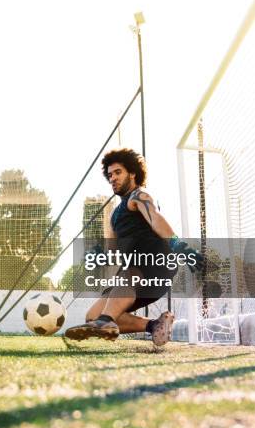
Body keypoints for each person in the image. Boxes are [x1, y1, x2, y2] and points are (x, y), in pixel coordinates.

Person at [65, 148, 203, 346]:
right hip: (135, 280)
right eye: (110, 175)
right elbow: (112, 253)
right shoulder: (114, 216)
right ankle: (154, 325)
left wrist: (178, 244)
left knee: (124, 281)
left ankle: (106, 322)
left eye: (118, 172)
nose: (113, 178)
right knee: (92, 316)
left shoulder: (138, 196)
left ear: (132, 173)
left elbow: (155, 218)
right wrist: (98, 255)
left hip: (156, 266)